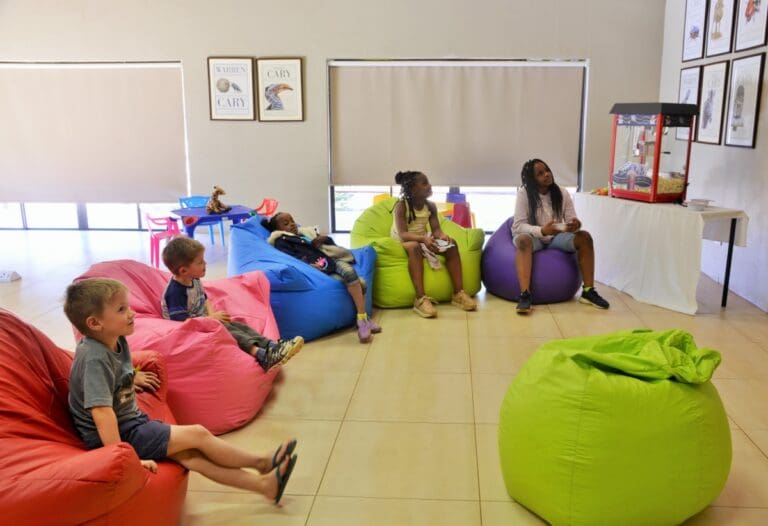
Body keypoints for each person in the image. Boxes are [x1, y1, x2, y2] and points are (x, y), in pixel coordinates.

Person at [64, 278, 298, 504]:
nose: (132, 313)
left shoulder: (115, 339)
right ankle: (262, 463)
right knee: (198, 435)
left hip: (131, 422)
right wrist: (124, 458)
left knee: (192, 457)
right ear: (95, 323)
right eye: (122, 310)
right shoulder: (94, 358)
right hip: (122, 435)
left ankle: (266, 486)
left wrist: (132, 376)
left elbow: (115, 372)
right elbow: (101, 412)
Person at [161, 236, 303, 370]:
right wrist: (210, 320)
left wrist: (212, 314)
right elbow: (182, 323)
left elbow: (204, 300)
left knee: (237, 325)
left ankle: (272, 345)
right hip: (186, 327)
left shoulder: (194, 279)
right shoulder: (175, 292)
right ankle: (262, 356)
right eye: (200, 262)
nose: (205, 264)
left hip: (202, 318)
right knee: (228, 331)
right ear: (184, 270)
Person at [261, 212, 381, 343]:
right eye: (286, 223)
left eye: (292, 220)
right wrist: (307, 264)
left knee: (350, 273)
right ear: (277, 229)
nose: (292, 224)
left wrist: (322, 239)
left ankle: (362, 318)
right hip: (318, 268)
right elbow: (291, 258)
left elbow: (327, 245)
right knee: (360, 283)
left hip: (330, 261)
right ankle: (363, 318)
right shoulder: (282, 240)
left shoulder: (303, 234)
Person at [512, 158, 610, 314]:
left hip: (556, 238)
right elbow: (518, 226)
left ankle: (588, 291)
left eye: (547, 170)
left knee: (585, 237)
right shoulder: (524, 194)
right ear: (532, 179)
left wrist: (575, 224)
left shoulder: (562, 193)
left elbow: (572, 218)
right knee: (522, 240)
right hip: (535, 238)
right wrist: (542, 231)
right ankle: (525, 295)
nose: (547, 174)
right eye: (540, 173)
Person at [391, 170, 478, 318]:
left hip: (422, 236)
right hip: (403, 239)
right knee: (414, 247)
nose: (429, 185)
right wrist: (423, 240)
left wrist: (443, 237)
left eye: (428, 182)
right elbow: (403, 234)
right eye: (424, 183)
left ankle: (458, 293)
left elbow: (436, 230)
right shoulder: (401, 206)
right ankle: (420, 299)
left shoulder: (430, 206)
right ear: (413, 189)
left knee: (452, 245)